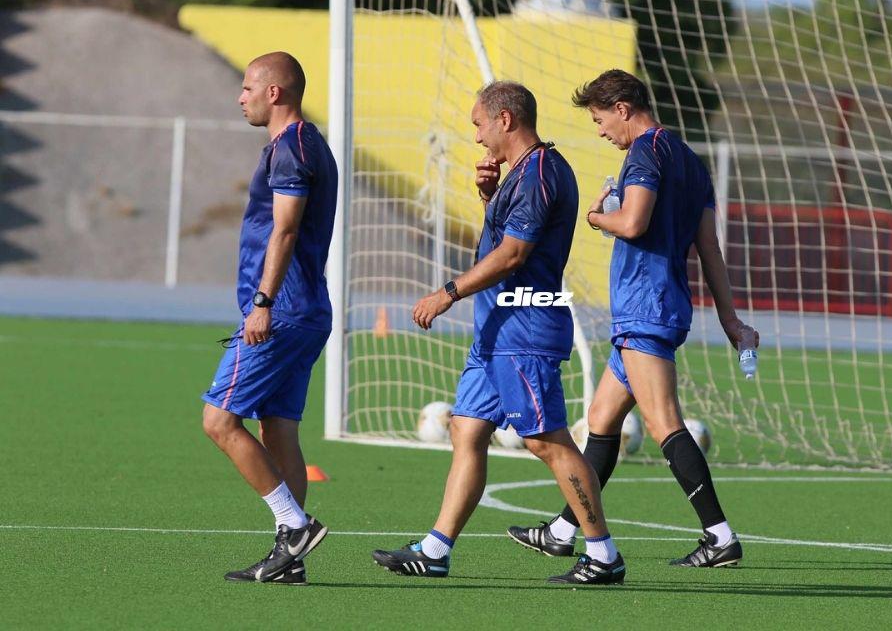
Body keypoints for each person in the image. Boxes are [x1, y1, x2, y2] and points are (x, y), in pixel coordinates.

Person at [372, 81, 626, 585]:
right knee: (466, 429)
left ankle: (602, 554)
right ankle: (436, 548)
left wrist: (448, 292)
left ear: (505, 120)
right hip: (496, 330)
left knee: (546, 441)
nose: (477, 137)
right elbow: (505, 238)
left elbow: (514, 255)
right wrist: (489, 197)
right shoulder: (521, 176)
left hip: (523, 329)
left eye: (479, 125)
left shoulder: (538, 175)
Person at [507, 69, 758, 568]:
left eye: (601, 120)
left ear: (623, 108)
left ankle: (721, 536)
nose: (600, 131)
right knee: (601, 422)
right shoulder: (690, 159)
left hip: (646, 306)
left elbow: (634, 222)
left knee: (665, 423)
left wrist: (598, 216)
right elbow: (709, 248)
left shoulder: (644, 152)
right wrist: (731, 319)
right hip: (656, 307)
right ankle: (561, 530)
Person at [201, 51, 337, 585]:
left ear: (274, 92)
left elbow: (284, 229)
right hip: (303, 310)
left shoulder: (292, 147)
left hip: (283, 310)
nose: (241, 97)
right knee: (278, 429)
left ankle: (293, 525)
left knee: (218, 419)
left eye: (247, 88)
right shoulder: (304, 143)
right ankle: (289, 561)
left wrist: (262, 302)